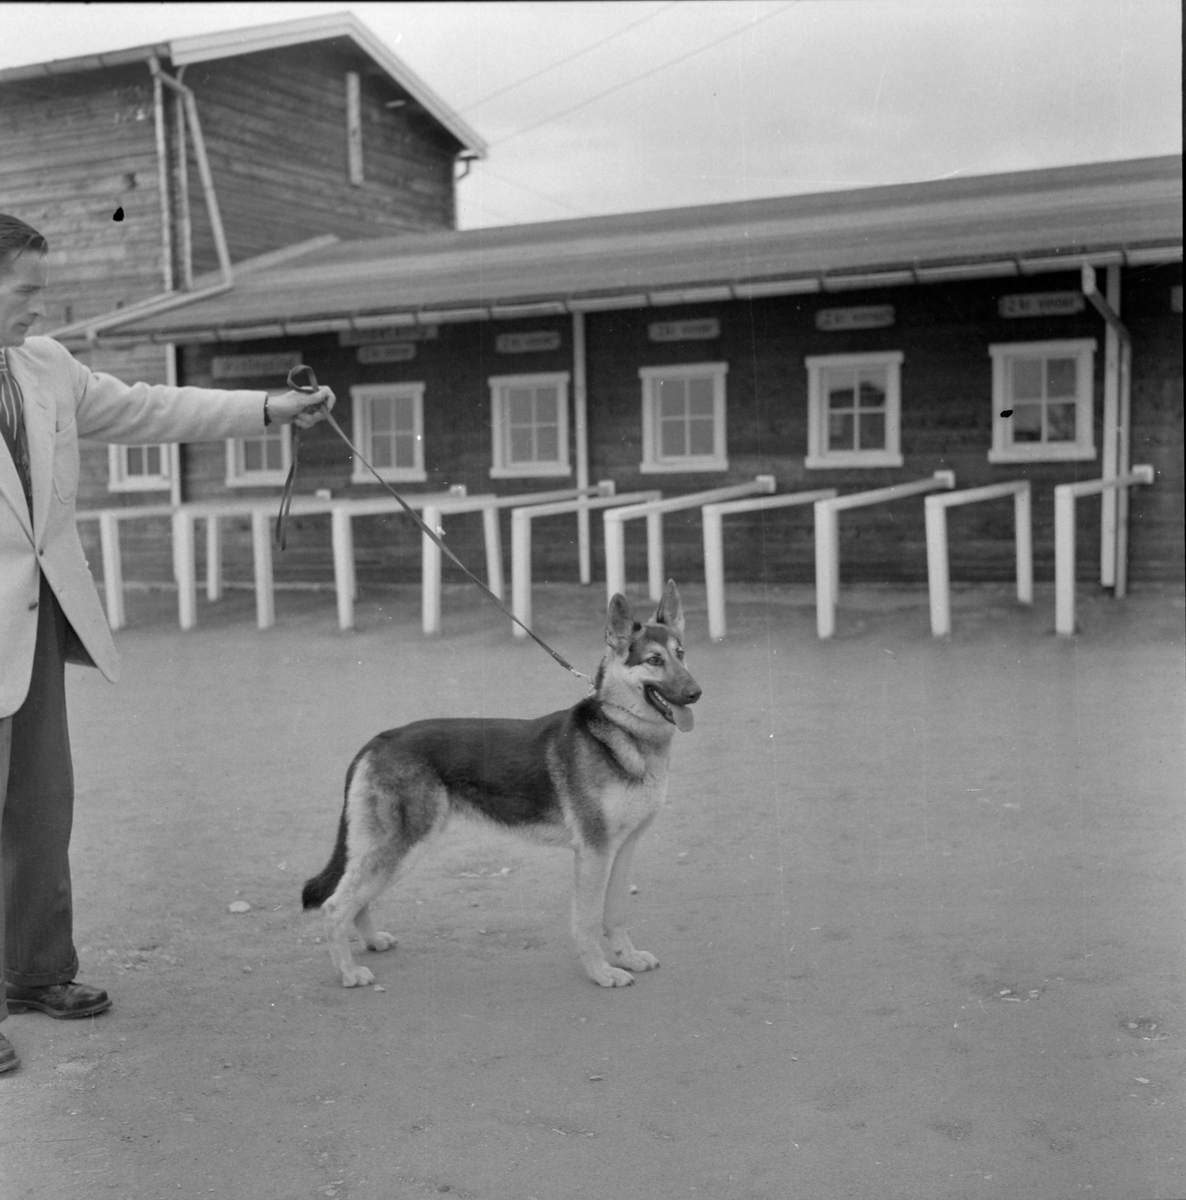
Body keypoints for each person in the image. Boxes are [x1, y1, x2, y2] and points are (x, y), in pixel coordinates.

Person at [0, 214, 335, 1074]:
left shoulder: (44, 365)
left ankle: (34, 972)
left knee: (42, 807)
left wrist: (269, 407)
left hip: (35, 623)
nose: (38, 308)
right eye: (24, 290)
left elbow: (149, 407)